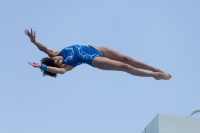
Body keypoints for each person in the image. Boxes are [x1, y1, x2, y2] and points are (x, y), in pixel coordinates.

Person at [25, 28, 171, 80]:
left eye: (55, 59)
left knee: (128, 58)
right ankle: (155, 76)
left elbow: (43, 49)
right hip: (94, 59)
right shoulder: (66, 66)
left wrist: (34, 41)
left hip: (97, 48)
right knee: (124, 66)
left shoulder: (55, 52)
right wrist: (42, 67)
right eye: (57, 62)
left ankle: (155, 69)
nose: (58, 59)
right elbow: (60, 71)